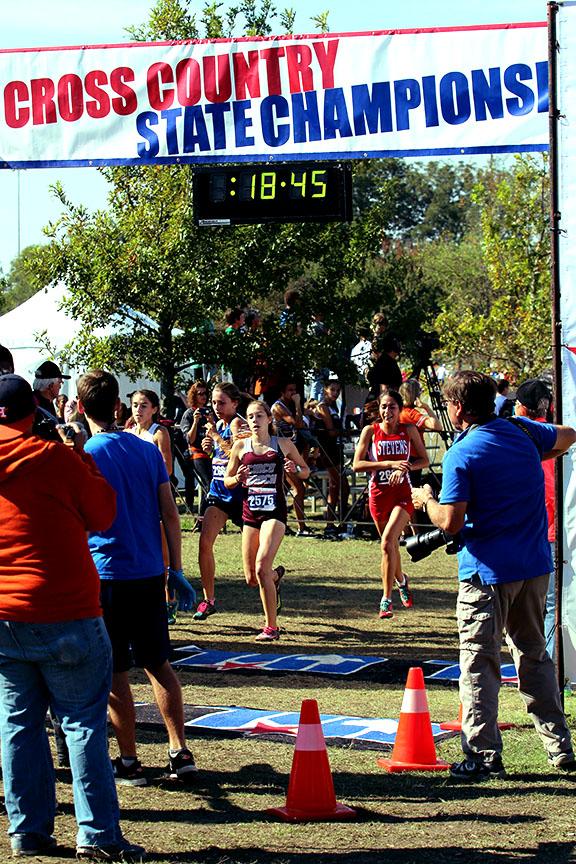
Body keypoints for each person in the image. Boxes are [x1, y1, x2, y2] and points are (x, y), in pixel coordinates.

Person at [0, 374, 144, 861]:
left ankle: (27, 830)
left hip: (5, 612)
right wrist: (79, 453)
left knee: (18, 724)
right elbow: (103, 514)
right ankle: (98, 835)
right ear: (32, 414)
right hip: (66, 610)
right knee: (82, 723)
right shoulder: (56, 459)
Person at [412, 370, 576, 781]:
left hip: (486, 573)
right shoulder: (522, 432)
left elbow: (450, 523)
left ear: (457, 408)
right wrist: (540, 454)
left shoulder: (462, 454)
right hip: (534, 567)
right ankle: (560, 747)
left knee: (479, 664)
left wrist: (426, 499)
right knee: (534, 656)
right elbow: (569, 435)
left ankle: (483, 755)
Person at [77, 370, 197, 788]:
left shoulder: (85, 454)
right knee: (158, 663)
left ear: (79, 408)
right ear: (118, 406)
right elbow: (169, 512)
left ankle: (129, 759)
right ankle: (179, 749)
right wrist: (176, 568)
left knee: (114, 672)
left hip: (105, 574)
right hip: (148, 571)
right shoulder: (146, 450)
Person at [225, 401, 310, 641]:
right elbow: (227, 481)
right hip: (250, 513)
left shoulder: (282, 444)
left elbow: (306, 472)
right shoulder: (241, 447)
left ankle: (271, 627)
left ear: (269, 419)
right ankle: (275, 577)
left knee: (262, 566)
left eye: (259, 416)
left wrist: (294, 468)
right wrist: (237, 478)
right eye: (250, 417)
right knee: (253, 578)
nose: (254, 420)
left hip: (275, 513)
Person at [353, 389, 429, 618]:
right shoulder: (370, 431)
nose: (388, 411)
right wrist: (388, 465)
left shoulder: (409, 430)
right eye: (384, 407)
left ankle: (386, 599)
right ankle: (402, 580)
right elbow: (357, 464)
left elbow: (424, 460)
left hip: (403, 494)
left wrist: (405, 466)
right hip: (378, 494)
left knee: (388, 541)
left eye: (392, 407)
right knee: (389, 546)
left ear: (400, 409)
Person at [193, 381, 247, 620]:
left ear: (235, 403)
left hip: (240, 493)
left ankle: (273, 577)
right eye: (214, 402)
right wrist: (210, 446)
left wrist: (215, 436)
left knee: (254, 566)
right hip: (218, 492)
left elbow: (240, 454)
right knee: (205, 543)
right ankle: (208, 599)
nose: (216, 406)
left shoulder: (238, 423)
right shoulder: (221, 424)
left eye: (221, 402)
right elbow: (221, 454)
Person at [515, 378, 556, 660]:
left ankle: (542, 664)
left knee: (527, 605)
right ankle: (546, 664)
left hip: (527, 532)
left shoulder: (517, 436)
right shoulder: (556, 435)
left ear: (521, 407)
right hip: (554, 532)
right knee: (550, 605)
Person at [272, 380, 314, 537]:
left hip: (290, 451)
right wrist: (298, 404)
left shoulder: (287, 406)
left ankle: (283, 524)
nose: (293, 393)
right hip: (281, 453)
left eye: (295, 390)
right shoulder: (278, 407)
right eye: (290, 390)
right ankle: (301, 527)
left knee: (283, 490)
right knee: (299, 488)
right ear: (282, 392)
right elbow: (298, 424)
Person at [313, 380, 350, 538]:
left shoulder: (335, 406)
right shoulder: (323, 407)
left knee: (342, 487)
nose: (335, 393)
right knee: (336, 484)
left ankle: (341, 520)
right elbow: (331, 431)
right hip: (326, 450)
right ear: (325, 390)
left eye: (338, 390)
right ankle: (330, 523)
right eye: (332, 390)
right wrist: (347, 431)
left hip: (335, 449)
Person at [179, 380, 213, 524]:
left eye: (205, 393)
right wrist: (195, 421)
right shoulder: (189, 413)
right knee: (208, 485)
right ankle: (201, 520)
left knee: (213, 485)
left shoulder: (210, 411)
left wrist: (211, 420)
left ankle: (209, 518)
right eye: (200, 394)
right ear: (194, 395)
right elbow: (189, 439)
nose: (203, 396)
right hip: (196, 452)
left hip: (211, 451)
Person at [399, 379, 442, 486]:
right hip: (414, 459)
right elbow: (437, 426)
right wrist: (426, 407)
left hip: (400, 455)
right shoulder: (412, 414)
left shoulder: (397, 411)